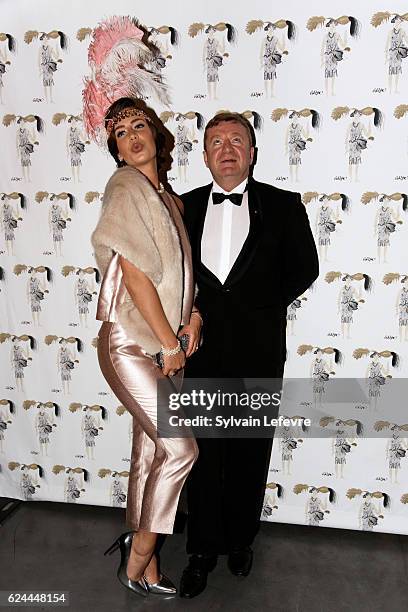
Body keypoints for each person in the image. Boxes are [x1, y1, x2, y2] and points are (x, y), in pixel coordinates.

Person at [179, 112, 319, 598]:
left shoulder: (283, 206)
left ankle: (240, 540)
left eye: (237, 140)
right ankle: (201, 550)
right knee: (201, 454)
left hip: (258, 352)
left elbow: (305, 268)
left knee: (248, 452)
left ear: (253, 152)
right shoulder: (183, 207)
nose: (227, 149)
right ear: (204, 155)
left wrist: (256, 305)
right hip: (195, 353)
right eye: (215, 142)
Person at [91, 97, 201, 598]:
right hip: (134, 343)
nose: (132, 137)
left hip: (165, 341)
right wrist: (167, 341)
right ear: (114, 149)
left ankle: (149, 564)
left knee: (149, 453)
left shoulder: (166, 197)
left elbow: (177, 275)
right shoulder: (126, 187)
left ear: (157, 134)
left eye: (139, 126)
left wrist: (192, 316)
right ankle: (136, 555)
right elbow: (134, 275)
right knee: (180, 448)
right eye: (120, 133)